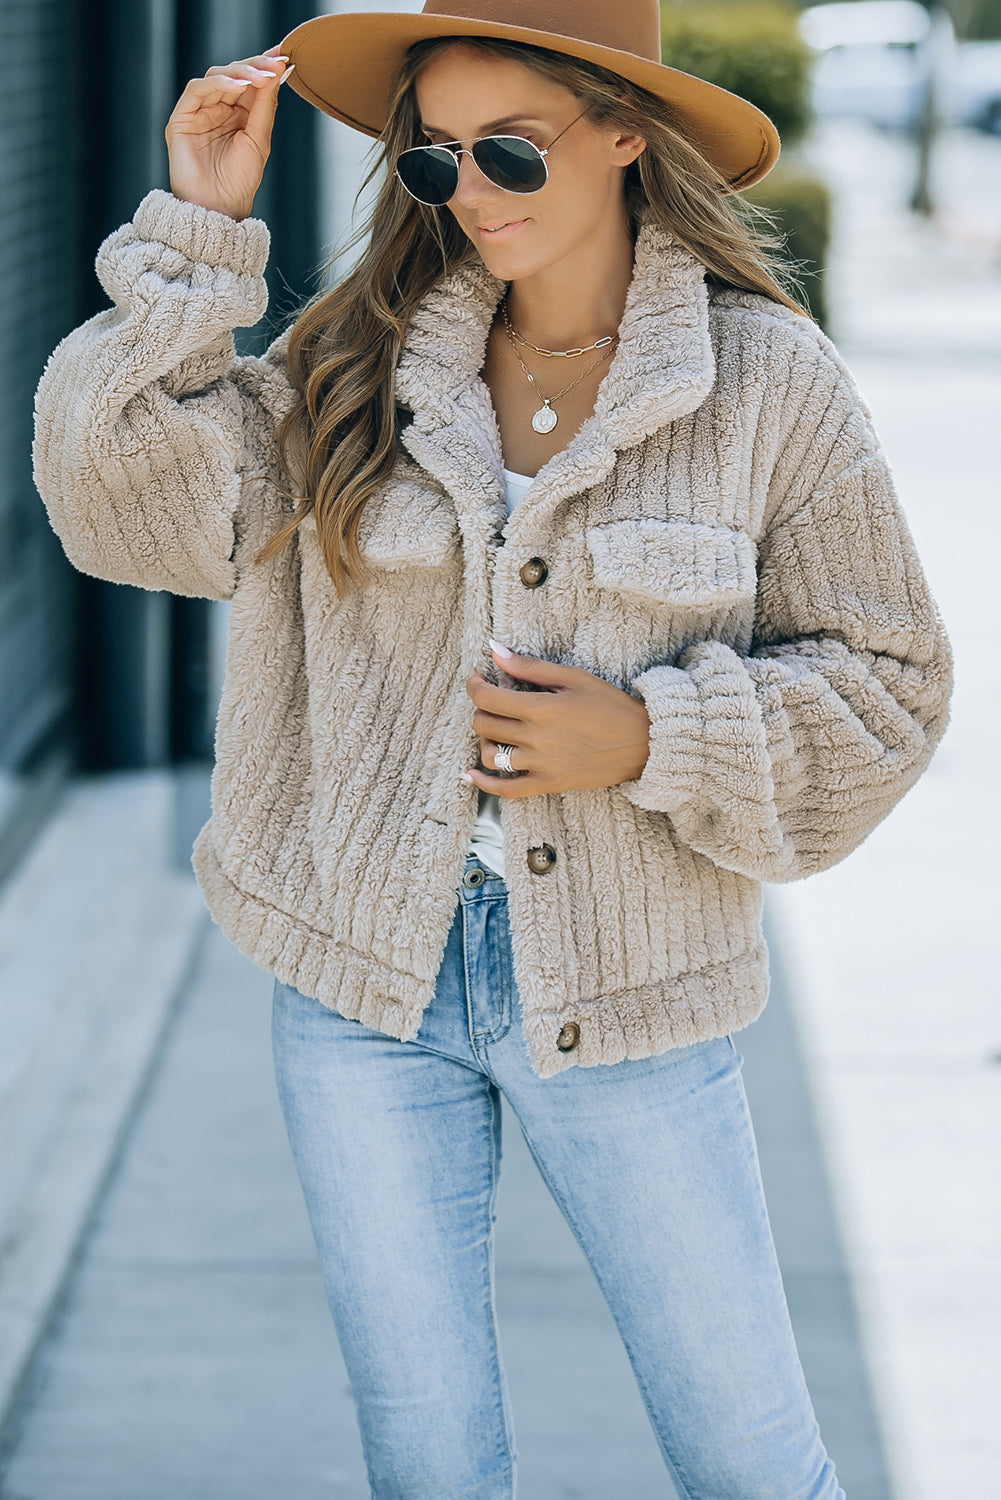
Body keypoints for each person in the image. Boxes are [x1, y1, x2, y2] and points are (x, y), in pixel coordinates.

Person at [33, 2, 952, 1495]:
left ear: (622, 135)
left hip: (628, 992)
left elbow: (887, 683)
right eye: (431, 164)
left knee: (750, 1462)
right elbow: (122, 504)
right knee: (429, 1464)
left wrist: (653, 736)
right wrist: (198, 236)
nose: (469, 196)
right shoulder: (353, 364)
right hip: (358, 989)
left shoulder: (766, 386)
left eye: (509, 152)